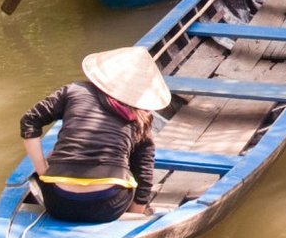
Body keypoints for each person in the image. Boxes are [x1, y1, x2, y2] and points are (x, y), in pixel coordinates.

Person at [20, 46, 172, 223]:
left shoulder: (73, 90)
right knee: (126, 165)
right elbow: (143, 169)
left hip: (58, 204)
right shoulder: (141, 117)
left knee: (54, 155)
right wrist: (136, 214)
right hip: (107, 207)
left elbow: (29, 121)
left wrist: (42, 171)